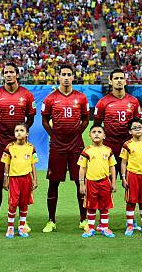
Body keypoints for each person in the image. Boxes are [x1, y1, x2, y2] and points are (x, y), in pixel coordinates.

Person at [0, 62, 36, 233]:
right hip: (0, 143)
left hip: (21, 145)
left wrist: (20, 135)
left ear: (17, 74)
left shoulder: (27, 95)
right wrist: (1, 132)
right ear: (3, 75)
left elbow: (30, 118)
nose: (8, 75)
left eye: (11, 72)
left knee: (23, 181)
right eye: (6, 72)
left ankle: (23, 221)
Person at [41, 64, 89, 233]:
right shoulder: (50, 99)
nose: (66, 77)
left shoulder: (81, 98)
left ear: (73, 77)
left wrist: (78, 133)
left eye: (69, 74)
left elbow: (85, 119)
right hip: (58, 146)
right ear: (59, 77)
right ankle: (51, 220)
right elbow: (45, 120)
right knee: (53, 183)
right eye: (63, 74)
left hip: (76, 146)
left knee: (80, 182)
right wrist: (53, 135)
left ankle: (84, 219)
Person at [94, 69, 141, 176]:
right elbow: (96, 126)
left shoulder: (134, 101)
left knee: (131, 183)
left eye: (121, 78)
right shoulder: (102, 102)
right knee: (107, 183)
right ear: (110, 81)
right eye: (116, 78)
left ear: (125, 81)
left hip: (129, 146)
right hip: (109, 146)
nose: (119, 81)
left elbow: (138, 126)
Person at [78, 124, 117, 238]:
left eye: (99, 132)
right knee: (91, 206)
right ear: (89, 135)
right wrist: (81, 184)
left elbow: (112, 167)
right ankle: (90, 228)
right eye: (94, 132)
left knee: (105, 206)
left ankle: (104, 228)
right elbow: (82, 168)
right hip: (91, 183)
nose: (96, 134)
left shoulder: (108, 150)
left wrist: (113, 182)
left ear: (104, 136)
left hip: (105, 182)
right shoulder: (87, 151)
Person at [1, 123, 38, 238]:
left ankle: (22, 227)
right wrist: (5, 178)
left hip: (26, 179)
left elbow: (33, 166)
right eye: (16, 130)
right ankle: (10, 228)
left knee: (24, 204)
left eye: (21, 130)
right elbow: (6, 164)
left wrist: (35, 180)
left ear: (27, 133)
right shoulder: (9, 147)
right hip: (14, 179)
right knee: (13, 204)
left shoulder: (31, 148)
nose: (19, 132)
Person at [120, 117, 142, 236]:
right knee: (131, 201)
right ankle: (130, 225)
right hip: (132, 176)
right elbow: (123, 162)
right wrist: (123, 177)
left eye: (139, 127)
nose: (138, 130)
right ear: (130, 131)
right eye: (134, 128)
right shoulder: (127, 144)